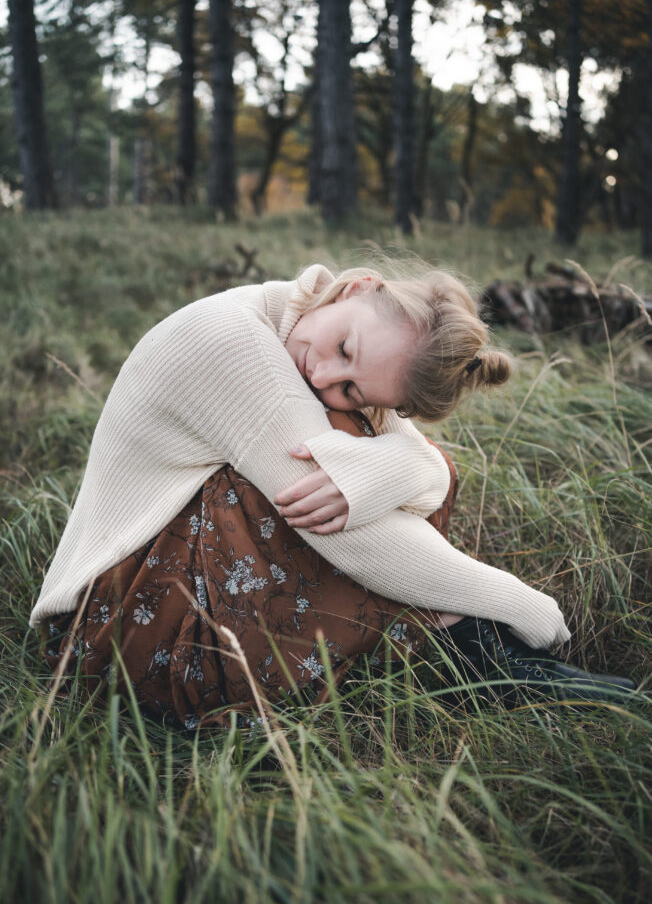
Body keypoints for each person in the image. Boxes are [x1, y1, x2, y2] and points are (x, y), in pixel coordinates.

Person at [31, 261, 635, 728]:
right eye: (343, 349)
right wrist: (522, 603)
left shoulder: (300, 326)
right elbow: (360, 544)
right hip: (113, 636)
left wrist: (404, 461)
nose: (323, 377)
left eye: (351, 385)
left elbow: (434, 477)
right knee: (325, 465)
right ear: (356, 289)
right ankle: (481, 654)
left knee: (354, 452)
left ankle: (478, 658)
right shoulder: (232, 340)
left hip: (167, 608)